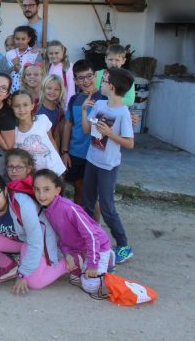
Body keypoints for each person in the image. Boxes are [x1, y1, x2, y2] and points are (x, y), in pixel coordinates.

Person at [0, 170, 66, 295]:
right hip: (18, 241)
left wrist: (23, 274)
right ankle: (10, 267)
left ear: (5, 191)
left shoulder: (22, 203)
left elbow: (35, 241)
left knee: (34, 282)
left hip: (36, 242)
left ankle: (70, 263)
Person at [81, 67, 135, 263]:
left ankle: (123, 245)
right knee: (86, 203)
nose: (99, 84)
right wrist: (84, 110)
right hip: (92, 160)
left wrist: (110, 134)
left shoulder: (123, 113)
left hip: (108, 166)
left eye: (102, 81)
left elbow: (129, 143)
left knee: (107, 207)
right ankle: (88, 238)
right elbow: (87, 130)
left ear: (111, 87)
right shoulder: (100, 104)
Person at [34, 169, 113, 294]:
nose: (41, 194)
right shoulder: (46, 209)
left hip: (99, 245)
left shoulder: (68, 208)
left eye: (46, 189)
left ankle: (108, 258)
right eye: (37, 189)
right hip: (78, 249)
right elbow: (62, 237)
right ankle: (84, 260)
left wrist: (93, 264)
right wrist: (67, 254)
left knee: (91, 287)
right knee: (75, 279)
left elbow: (91, 235)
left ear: (57, 190)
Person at [60, 60, 102, 205]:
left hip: (96, 154)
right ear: (75, 81)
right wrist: (65, 151)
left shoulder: (105, 98)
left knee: (91, 195)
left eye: (89, 76)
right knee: (78, 189)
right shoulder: (74, 99)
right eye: (81, 78)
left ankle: (93, 227)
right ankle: (78, 224)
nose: (86, 81)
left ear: (95, 76)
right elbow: (68, 125)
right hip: (76, 152)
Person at [12, 90, 66, 175]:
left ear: (32, 105)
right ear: (12, 107)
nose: (21, 109)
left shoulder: (42, 119)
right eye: (16, 106)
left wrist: (58, 160)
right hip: (33, 175)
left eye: (25, 105)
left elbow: (51, 140)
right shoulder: (13, 131)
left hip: (54, 168)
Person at [6, 25, 42, 92]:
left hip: (28, 90)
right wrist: (11, 64)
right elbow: (3, 71)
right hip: (9, 90)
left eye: (23, 39)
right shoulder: (9, 53)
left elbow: (37, 74)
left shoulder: (34, 54)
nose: (20, 42)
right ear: (14, 39)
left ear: (29, 39)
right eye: (17, 39)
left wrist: (20, 70)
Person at [46, 40, 75, 109]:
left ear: (63, 53)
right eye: (51, 53)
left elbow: (71, 88)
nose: (53, 56)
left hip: (64, 103)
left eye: (56, 53)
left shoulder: (68, 66)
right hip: (52, 102)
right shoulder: (49, 66)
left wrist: (68, 106)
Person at [37, 74, 66, 140]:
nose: (52, 92)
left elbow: (56, 134)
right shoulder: (35, 106)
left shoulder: (59, 111)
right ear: (43, 88)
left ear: (60, 91)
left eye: (56, 89)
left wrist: (56, 150)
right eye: (49, 88)